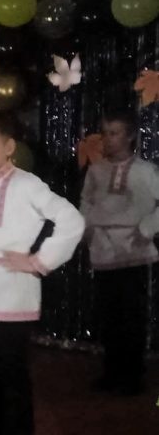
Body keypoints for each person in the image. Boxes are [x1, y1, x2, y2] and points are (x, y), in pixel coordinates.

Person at [0, 109, 84, 435]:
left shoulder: (27, 185)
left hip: (13, 293)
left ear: (9, 147)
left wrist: (38, 261)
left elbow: (71, 220)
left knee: (11, 371)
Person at [81, 109, 159, 396]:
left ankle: (132, 375)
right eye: (105, 133)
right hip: (103, 248)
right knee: (108, 313)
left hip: (133, 250)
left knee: (131, 315)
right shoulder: (96, 170)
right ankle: (111, 371)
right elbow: (86, 202)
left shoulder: (146, 171)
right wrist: (86, 229)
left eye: (114, 133)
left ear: (130, 136)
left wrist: (147, 229)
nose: (108, 139)